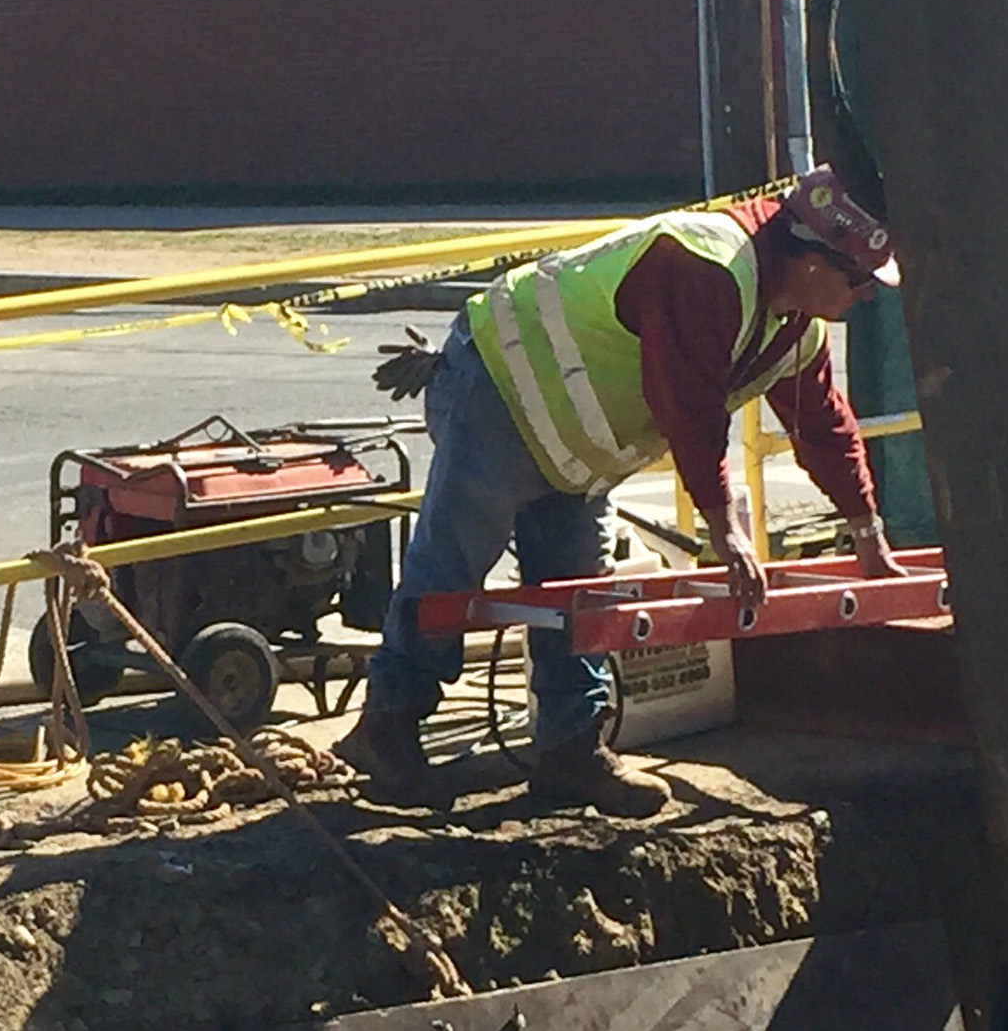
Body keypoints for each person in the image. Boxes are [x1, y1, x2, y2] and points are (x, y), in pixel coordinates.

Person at [342, 170, 904, 815]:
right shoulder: (706, 265)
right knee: (451, 568)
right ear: (811, 262)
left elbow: (824, 425)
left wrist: (868, 532)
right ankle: (387, 729)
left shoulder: (794, 322)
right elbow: (687, 404)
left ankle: (572, 751)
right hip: (503, 386)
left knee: (581, 589)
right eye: (860, 280)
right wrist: (725, 529)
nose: (865, 296)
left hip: (575, 442)